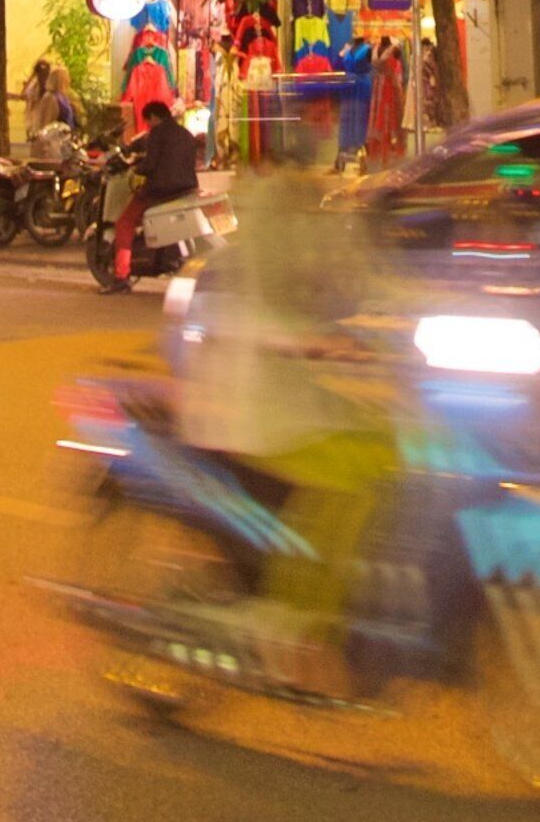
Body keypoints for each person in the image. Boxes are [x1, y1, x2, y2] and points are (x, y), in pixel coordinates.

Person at [174, 127, 393, 692]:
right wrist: (316, 342)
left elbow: (345, 284)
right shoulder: (261, 227)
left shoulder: (299, 220)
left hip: (291, 393)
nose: (316, 184)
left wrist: (389, 321)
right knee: (355, 472)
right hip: (252, 405)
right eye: (308, 172)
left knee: (389, 442)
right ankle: (291, 625)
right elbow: (255, 314)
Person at [110, 97, 198, 281]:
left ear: (153, 117)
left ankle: (121, 276)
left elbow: (150, 165)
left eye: (148, 121)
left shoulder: (157, 134)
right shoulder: (186, 134)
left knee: (124, 224)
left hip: (161, 191)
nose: (148, 125)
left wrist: (135, 168)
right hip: (188, 188)